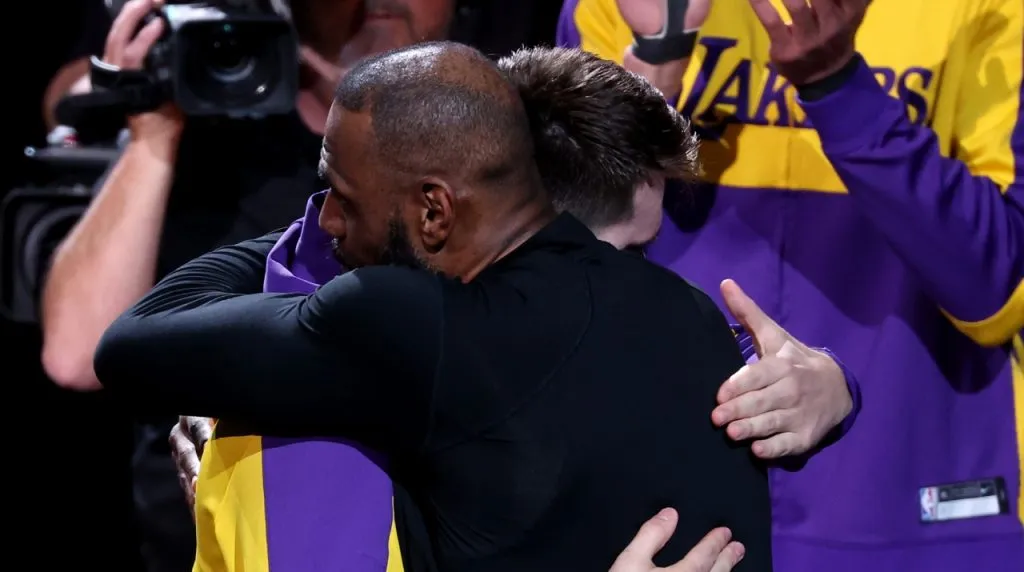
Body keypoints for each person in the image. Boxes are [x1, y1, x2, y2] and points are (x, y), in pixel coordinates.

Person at [95, 41, 776, 571]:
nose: (327, 221)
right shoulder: (690, 316)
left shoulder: (410, 325)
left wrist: (306, 237)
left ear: (434, 209)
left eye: (340, 195)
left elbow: (133, 344)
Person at [560, 0, 1024, 570]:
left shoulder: (988, 10)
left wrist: (840, 88)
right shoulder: (623, 6)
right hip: (672, 518)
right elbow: (563, 256)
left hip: (911, 507)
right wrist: (659, 57)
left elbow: (1000, 290)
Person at [39, 1, 455, 569]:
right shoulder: (204, 124)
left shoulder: (488, 149)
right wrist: (153, 136)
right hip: (194, 543)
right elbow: (75, 354)